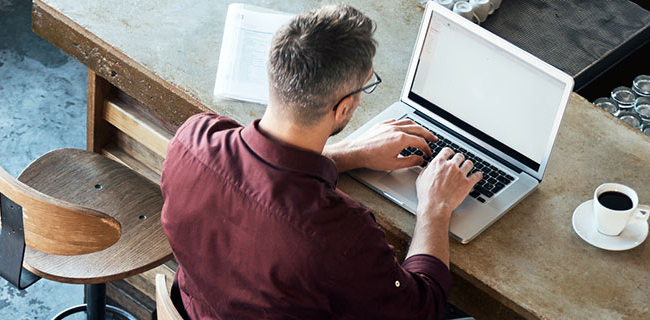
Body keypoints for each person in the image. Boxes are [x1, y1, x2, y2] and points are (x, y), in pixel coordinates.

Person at [159, 4, 482, 320]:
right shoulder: (341, 236)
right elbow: (421, 308)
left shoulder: (193, 138)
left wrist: (350, 153)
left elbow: (261, 178)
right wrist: (435, 208)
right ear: (343, 109)